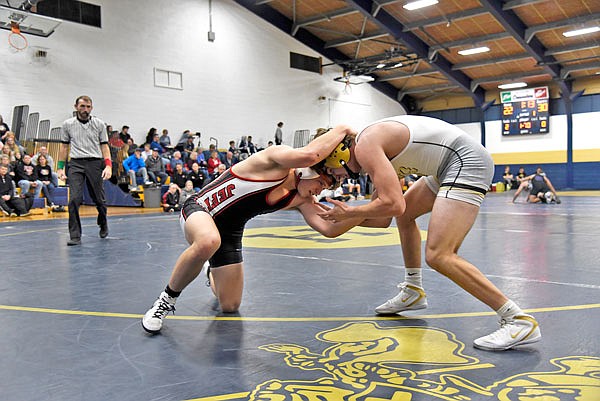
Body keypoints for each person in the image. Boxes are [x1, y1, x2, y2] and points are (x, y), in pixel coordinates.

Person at [317, 116, 541, 351]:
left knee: (439, 255)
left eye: (329, 170)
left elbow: (393, 205)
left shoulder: (366, 146)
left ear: (338, 154)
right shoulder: (373, 150)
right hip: (447, 166)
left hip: (466, 161)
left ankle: (518, 320)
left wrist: (349, 214)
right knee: (405, 218)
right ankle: (413, 290)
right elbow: (383, 219)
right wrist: (321, 213)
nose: (334, 179)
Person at [141, 125, 366, 334]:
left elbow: (328, 229)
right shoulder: (275, 159)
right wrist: (344, 129)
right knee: (209, 241)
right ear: (310, 171)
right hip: (201, 209)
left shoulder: (300, 198)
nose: (318, 192)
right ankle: (165, 301)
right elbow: (309, 155)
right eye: (323, 184)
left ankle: (210, 269)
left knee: (230, 304)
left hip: (229, 232)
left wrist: (368, 210)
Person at [57, 95, 112, 246]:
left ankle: (103, 222)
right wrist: (60, 167)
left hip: (95, 163)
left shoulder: (99, 124)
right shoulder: (67, 124)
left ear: (91, 108)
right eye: (82, 106)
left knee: (99, 200)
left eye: (88, 107)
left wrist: (108, 166)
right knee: (74, 199)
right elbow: (64, 147)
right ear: (76, 107)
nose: (85, 110)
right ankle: (75, 235)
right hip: (75, 163)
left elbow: (104, 146)